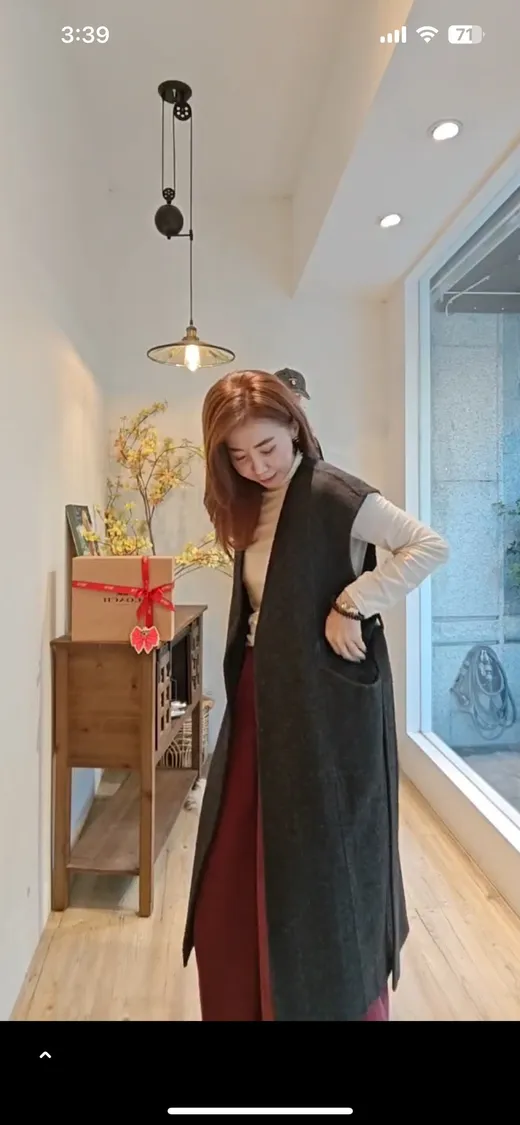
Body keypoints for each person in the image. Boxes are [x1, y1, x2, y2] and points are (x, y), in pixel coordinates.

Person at [182, 369, 449, 1021]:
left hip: (324, 713)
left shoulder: (333, 493)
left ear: (295, 427)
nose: (257, 466)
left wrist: (354, 602)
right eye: (239, 456)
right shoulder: (249, 504)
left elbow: (428, 545)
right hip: (262, 699)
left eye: (267, 448)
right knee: (228, 879)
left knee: (321, 875)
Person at [274, 366, 324, 457]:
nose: (294, 402)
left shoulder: (309, 439)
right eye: (287, 396)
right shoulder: (264, 433)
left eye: (297, 396)